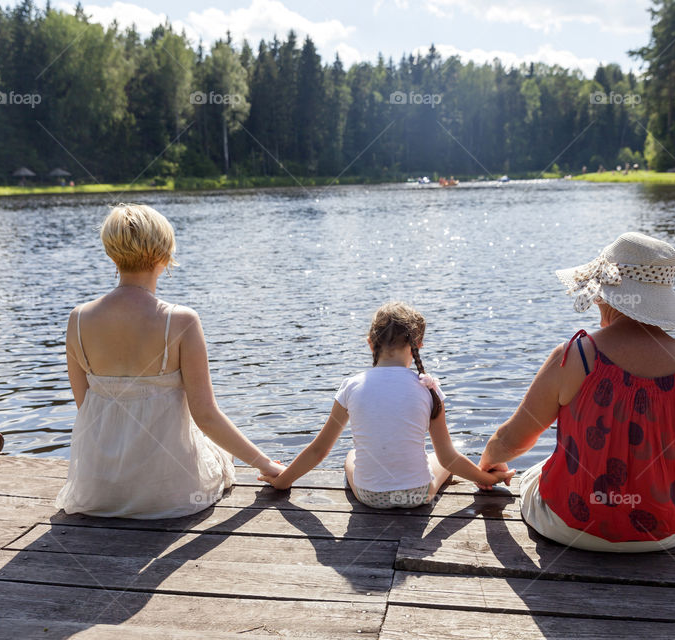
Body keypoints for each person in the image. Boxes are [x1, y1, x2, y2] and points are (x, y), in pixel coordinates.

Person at [478, 232, 675, 551]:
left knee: (534, 472)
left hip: (572, 526)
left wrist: (486, 465)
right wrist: (669, 506)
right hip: (667, 535)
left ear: (601, 294)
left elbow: (512, 441)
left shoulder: (576, 356)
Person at [56, 203, 284, 519]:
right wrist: (266, 464)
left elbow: (86, 407)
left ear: (111, 255)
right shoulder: (180, 321)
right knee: (220, 455)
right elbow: (206, 416)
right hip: (172, 495)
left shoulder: (78, 319)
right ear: (164, 256)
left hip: (98, 491)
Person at [259, 302, 513, 508]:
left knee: (351, 454)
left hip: (370, 497)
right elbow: (448, 458)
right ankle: (479, 472)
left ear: (370, 343)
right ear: (417, 347)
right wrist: (486, 478)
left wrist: (284, 480)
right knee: (439, 455)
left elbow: (319, 450)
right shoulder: (428, 388)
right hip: (418, 497)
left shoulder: (351, 386)